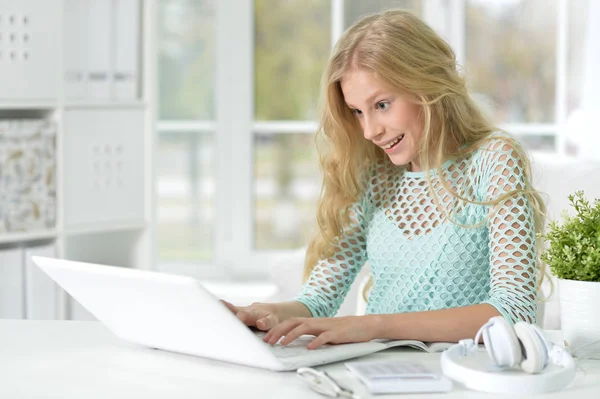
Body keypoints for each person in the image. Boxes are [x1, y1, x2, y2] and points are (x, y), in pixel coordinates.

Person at [223, 9, 546, 349]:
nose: (369, 130)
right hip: (379, 374)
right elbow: (317, 300)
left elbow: (514, 310)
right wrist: (265, 312)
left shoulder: (493, 160)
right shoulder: (374, 177)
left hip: (463, 378)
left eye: (382, 104)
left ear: (427, 86)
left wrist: (374, 325)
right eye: (357, 111)